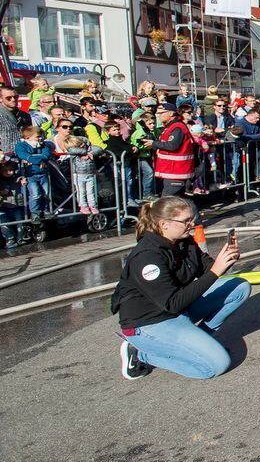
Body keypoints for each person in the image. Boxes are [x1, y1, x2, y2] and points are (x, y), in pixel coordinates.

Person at [111, 197, 247, 380]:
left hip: (178, 311)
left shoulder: (184, 240)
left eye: (192, 219)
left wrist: (227, 259)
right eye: (186, 221)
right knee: (217, 365)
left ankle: (201, 344)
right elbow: (173, 303)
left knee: (239, 287)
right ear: (164, 224)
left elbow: (208, 268)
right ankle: (141, 354)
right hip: (151, 322)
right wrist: (215, 271)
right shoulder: (147, 257)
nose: (192, 224)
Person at [145, 103, 195, 197]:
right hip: (170, 170)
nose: (158, 115)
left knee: (168, 200)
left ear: (171, 113)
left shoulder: (177, 127)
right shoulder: (169, 127)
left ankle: (192, 211)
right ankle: (191, 211)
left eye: (161, 113)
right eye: (157, 113)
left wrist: (154, 143)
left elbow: (172, 145)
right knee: (177, 201)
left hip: (176, 171)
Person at [14, 126, 53, 220]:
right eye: (38, 136)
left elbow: (46, 155)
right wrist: (39, 160)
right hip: (30, 175)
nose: (40, 138)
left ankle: (46, 211)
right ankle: (35, 213)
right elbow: (23, 155)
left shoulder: (42, 145)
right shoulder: (21, 145)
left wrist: (32, 158)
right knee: (35, 194)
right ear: (28, 137)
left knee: (46, 194)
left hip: (43, 174)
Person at [63, 136, 103, 215]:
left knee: (90, 191)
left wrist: (90, 153)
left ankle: (93, 205)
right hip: (79, 175)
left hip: (90, 174)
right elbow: (71, 150)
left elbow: (99, 149)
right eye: (78, 145)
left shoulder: (89, 148)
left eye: (81, 144)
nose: (81, 145)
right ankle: (83, 206)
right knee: (81, 191)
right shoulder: (74, 153)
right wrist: (85, 152)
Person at [0, 86, 29, 152]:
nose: (13, 99)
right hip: (6, 157)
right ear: (0, 99)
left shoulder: (25, 116)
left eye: (15, 97)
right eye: (8, 98)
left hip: (25, 156)